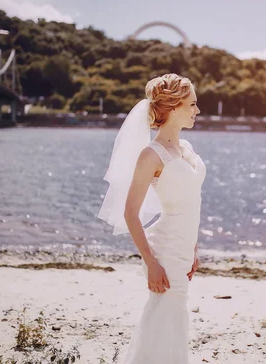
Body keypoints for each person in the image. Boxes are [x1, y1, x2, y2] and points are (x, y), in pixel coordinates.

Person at [98, 73, 205, 363]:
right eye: (192, 104)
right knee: (167, 317)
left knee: (173, 318)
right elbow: (130, 213)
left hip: (184, 248)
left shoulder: (186, 149)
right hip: (165, 251)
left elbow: (191, 202)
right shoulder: (151, 155)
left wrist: (193, 249)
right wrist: (151, 262)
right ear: (173, 108)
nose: (197, 111)